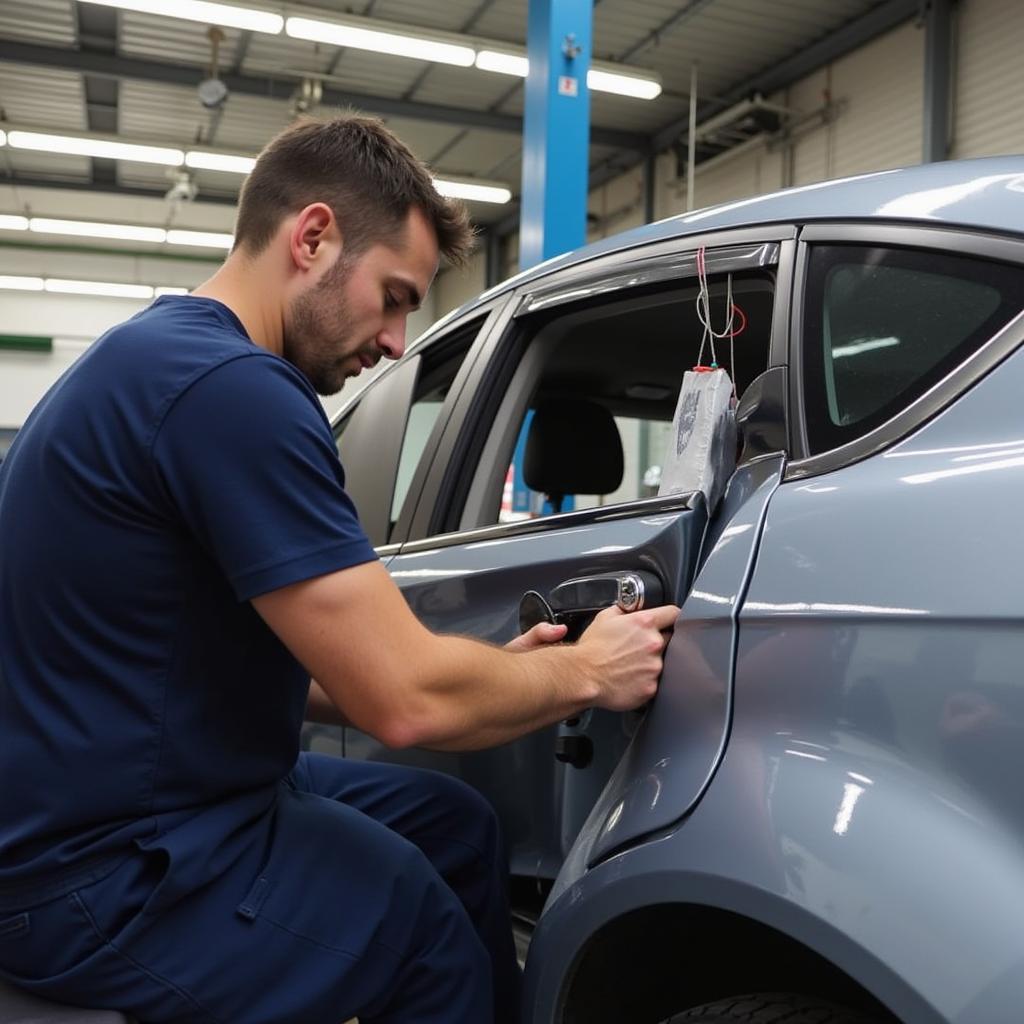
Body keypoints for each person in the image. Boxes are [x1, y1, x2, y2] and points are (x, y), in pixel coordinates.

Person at [0, 115, 678, 1024]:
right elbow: (402, 702)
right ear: (313, 237)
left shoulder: (155, 359)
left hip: (129, 805)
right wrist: (586, 670)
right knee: (422, 930)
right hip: (106, 871)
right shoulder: (233, 391)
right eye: (394, 297)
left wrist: (513, 671)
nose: (398, 342)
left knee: (457, 831)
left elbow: (303, 665)